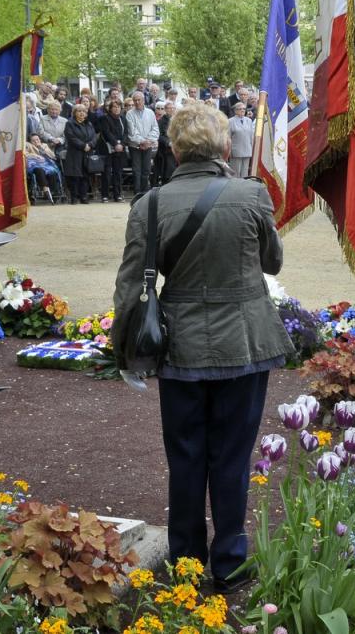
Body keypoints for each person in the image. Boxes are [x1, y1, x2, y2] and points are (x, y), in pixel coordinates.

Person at [110, 104, 291, 592]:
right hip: (245, 344)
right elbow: (272, 262)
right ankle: (230, 560)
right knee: (232, 455)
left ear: (173, 150)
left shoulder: (148, 204)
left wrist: (124, 352)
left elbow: (131, 287)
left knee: (186, 455)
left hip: (181, 346)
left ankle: (187, 557)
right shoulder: (252, 195)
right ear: (226, 149)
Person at [125, 91, 159, 194]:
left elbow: (155, 129)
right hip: (135, 146)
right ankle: (137, 191)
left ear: (143, 100)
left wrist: (148, 141)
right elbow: (132, 131)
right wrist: (142, 141)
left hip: (148, 146)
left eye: (139, 100)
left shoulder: (150, 112)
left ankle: (144, 191)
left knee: (146, 169)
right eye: (135, 100)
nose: (137, 102)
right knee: (136, 170)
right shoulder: (129, 114)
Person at [63, 104, 96, 204]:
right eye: (79, 111)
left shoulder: (89, 124)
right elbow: (71, 137)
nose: (82, 113)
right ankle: (74, 197)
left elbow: (94, 137)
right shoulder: (70, 123)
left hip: (87, 153)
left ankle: (84, 196)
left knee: (86, 175)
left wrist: (90, 145)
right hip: (75, 153)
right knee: (75, 176)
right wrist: (83, 146)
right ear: (74, 113)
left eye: (84, 111)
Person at [98, 99, 128, 202]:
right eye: (114, 107)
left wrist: (122, 144)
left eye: (118, 107)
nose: (116, 109)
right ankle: (105, 195)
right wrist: (115, 143)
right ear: (110, 109)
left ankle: (117, 195)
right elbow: (106, 132)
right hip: (107, 149)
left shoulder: (123, 119)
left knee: (118, 172)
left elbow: (126, 133)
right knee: (106, 172)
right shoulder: (104, 118)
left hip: (120, 149)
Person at [25, 135, 59, 203]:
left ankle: (52, 192)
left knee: (52, 172)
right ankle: (45, 189)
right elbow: (25, 153)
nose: (36, 141)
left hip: (46, 164)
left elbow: (53, 156)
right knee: (40, 171)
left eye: (37, 139)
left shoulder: (44, 145)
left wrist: (41, 148)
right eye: (33, 141)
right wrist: (35, 155)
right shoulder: (28, 145)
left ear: (40, 140)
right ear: (30, 142)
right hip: (35, 164)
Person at [227, 102, 255, 177]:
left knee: (245, 173)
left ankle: (244, 187)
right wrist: (229, 151)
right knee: (236, 172)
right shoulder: (230, 121)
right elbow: (228, 137)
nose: (242, 110)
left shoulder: (249, 120)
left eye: (243, 109)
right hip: (236, 151)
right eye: (240, 109)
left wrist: (252, 148)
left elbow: (251, 136)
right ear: (235, 111)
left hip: (247, 149)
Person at [153, 101, 175, 186]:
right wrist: (168, 142)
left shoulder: (176, 120)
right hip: (165, 150)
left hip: (175, 148)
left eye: (173, 108)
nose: (172, 110)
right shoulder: (161, 121)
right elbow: (159, 135)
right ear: (165, 109)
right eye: (169, 108)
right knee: (166, 171)